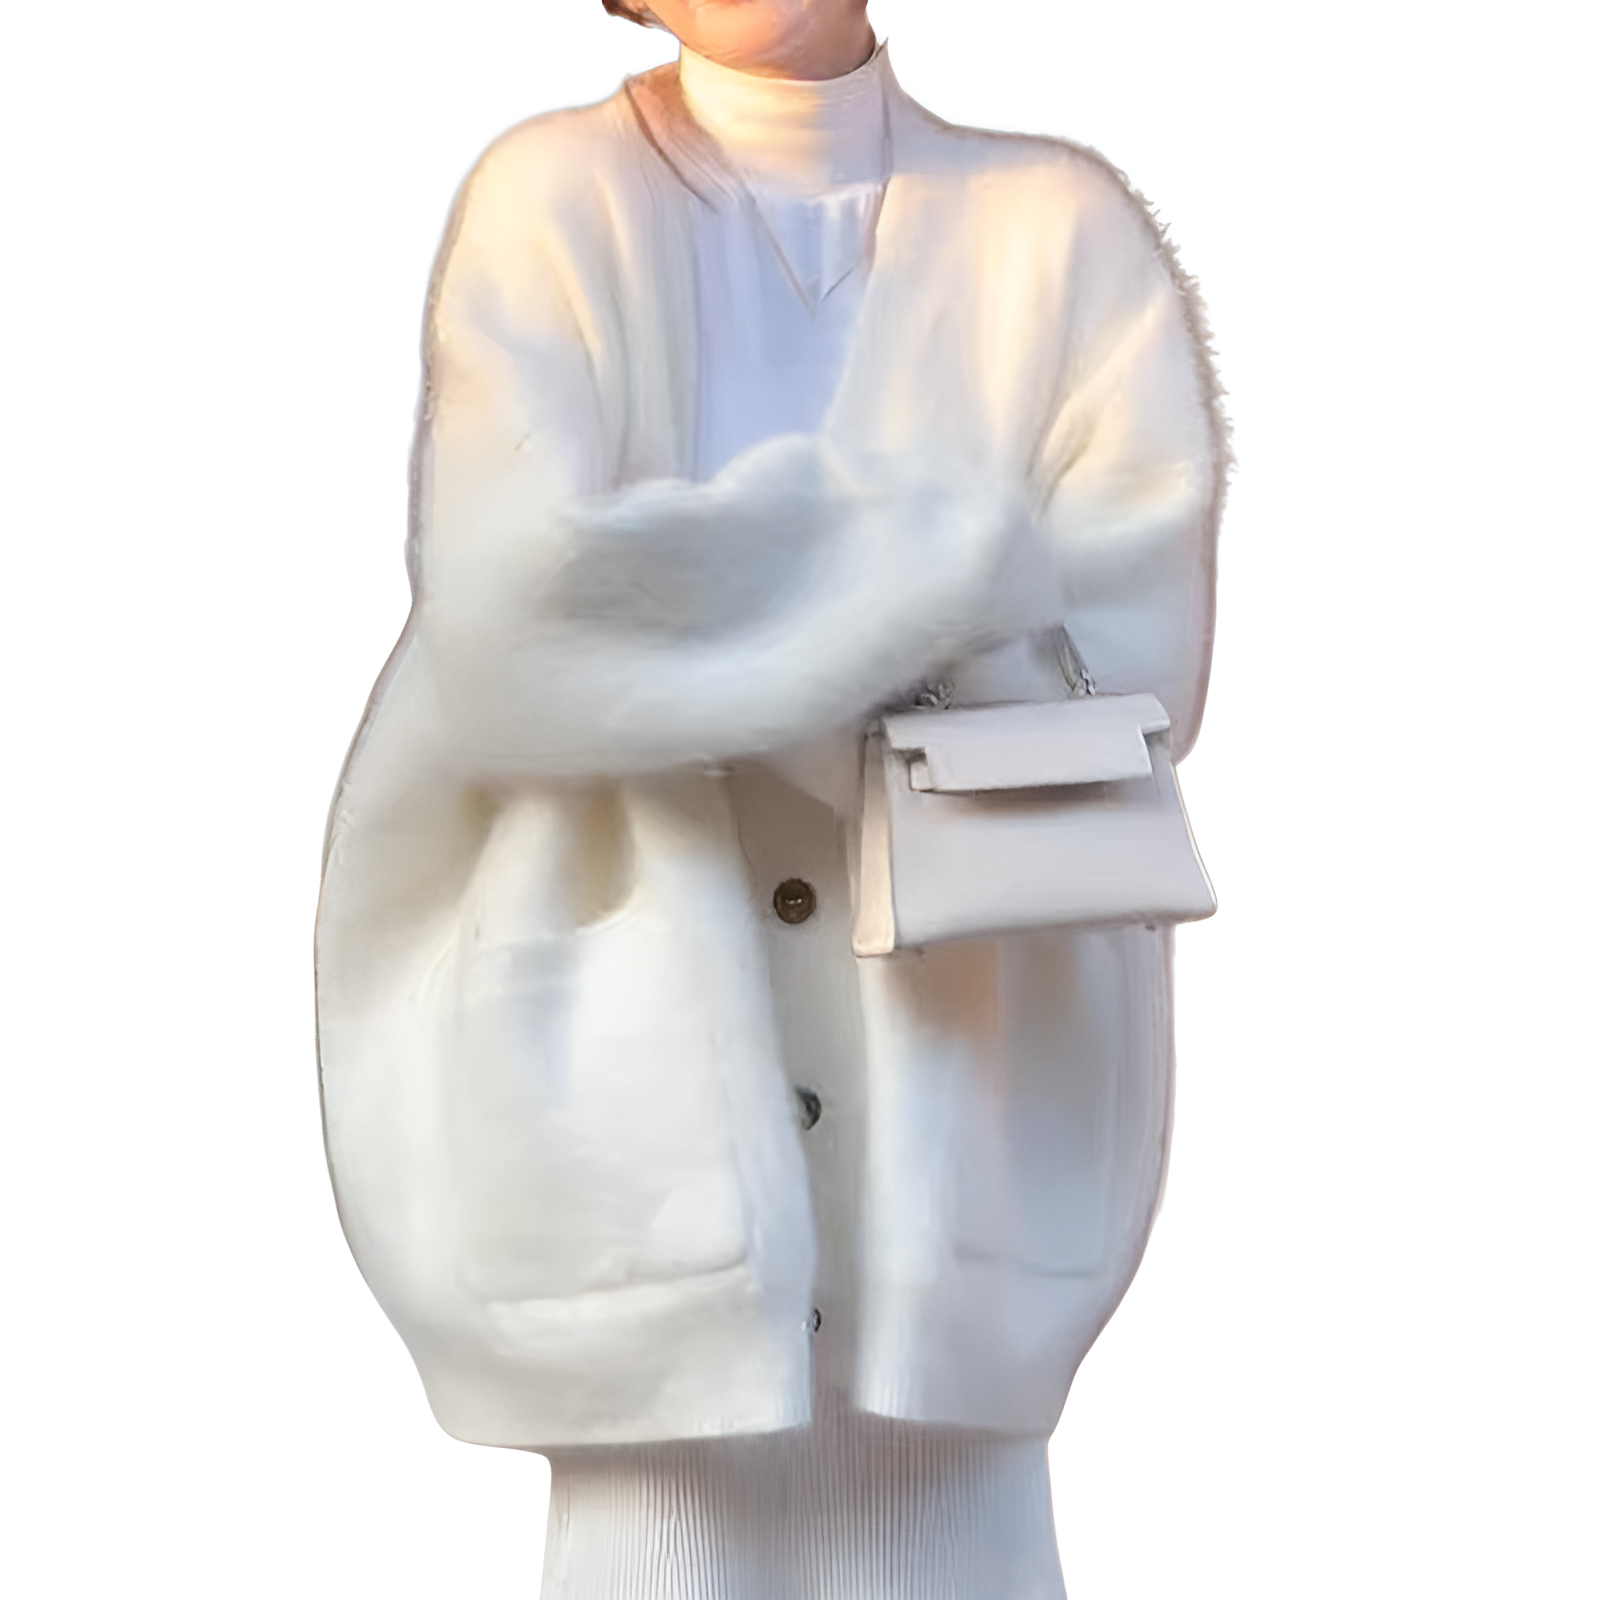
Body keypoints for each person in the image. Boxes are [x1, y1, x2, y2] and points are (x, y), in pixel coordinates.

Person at [316, 2, 1224, 1594]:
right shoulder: (555, 198)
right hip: (633, 1133)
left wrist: (697, 622)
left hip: (974, 1113)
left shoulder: (1061, 233)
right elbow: (515, 624)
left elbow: (1132, 671)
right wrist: (961, 561)